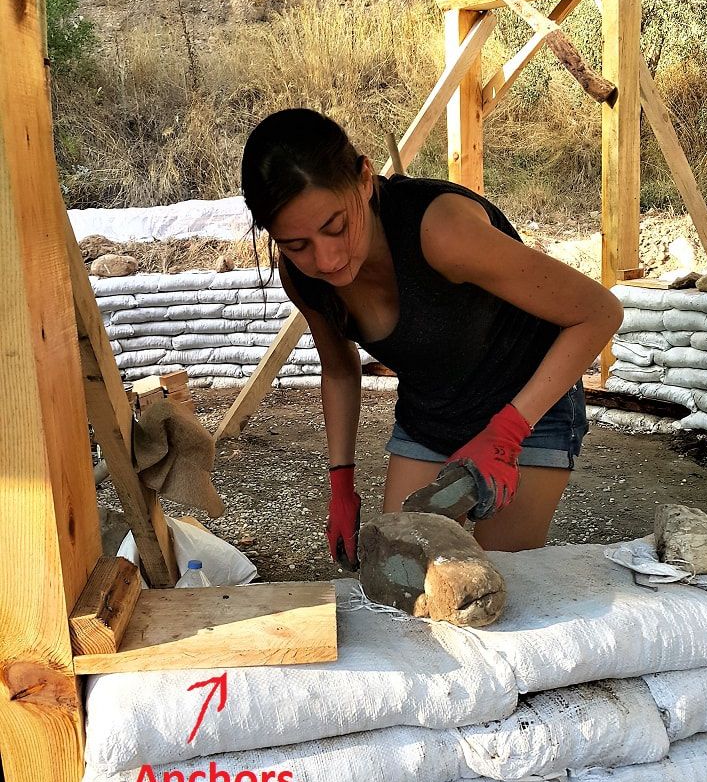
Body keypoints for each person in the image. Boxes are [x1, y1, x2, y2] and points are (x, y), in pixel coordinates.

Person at [241, 108, 623, 566]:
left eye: (335, 227)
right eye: (296, 244)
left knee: (493, 582)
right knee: (400, 573)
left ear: (364, 180)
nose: (325, 260)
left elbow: (599, 313)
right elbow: (340, 369)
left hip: (527, 406)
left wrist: (505, 433)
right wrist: (341, 482)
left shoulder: (443, 233)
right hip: (432, 413)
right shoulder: (301, 276)